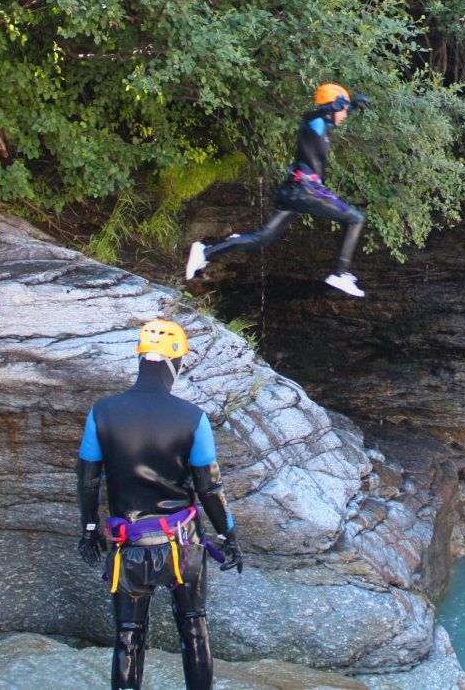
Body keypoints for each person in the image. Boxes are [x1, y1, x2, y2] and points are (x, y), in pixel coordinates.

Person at [75, 319, 244, 690]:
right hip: (182, 546)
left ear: (140, 358)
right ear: (177, 362)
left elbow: (88, 482)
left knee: (128, 637)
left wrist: (89, 530)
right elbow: (210, 488)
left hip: (128, 546)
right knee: (194, 628)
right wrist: (229, 535)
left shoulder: (102, 412)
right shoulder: (193, 419)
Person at [185, 83, 370, 298]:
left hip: (295, 191)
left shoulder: (325, 125)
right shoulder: (316, 122)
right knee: (355, 219)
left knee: (262, 238)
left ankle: (205, 252)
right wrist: (339, 105)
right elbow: (317, 114)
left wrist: (353, 105)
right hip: (304, 192)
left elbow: (328, 115)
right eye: (344, 109)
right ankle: (340, 273)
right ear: (334, 106)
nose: (345, 115)